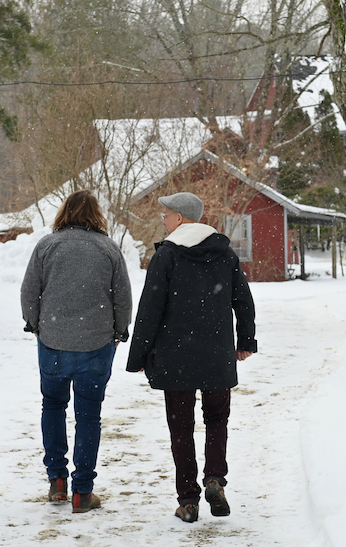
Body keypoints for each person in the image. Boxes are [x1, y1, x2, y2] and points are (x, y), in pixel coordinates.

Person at [126, 191, 257, 523]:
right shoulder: (224, 254)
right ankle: (215, 478)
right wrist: (245, 340)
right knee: (217, 420)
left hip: (175, 357)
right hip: (216, 356)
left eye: (166, 215)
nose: (163, 220)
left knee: (181, 428)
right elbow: (244, 301)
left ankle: (188, 500)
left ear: (180, 218)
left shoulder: (167, 257)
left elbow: (149, 310)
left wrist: (138, 354)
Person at [21, 190, 133, 514]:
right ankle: (82, 491)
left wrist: (37, 326)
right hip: (96, 346)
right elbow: (123, 299)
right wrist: (118, 332)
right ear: (97, 215)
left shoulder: (47, 246)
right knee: (89, 416)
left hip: (53, 343)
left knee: (53, 406)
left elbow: (29, 292)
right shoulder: (109, 249)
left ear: (64, 213)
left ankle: (56, 479)